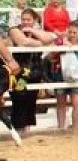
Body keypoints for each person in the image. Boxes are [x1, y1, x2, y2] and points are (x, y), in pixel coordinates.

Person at [8, 9, 54, 137]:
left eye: (28, 19)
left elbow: (50, 38)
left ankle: (27, 129)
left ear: (34, 20)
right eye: (23, 19)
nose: (25, 22)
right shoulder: (14, 30)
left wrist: (33, 31)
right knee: (19, 98)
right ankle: (18, 129)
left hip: (34, 72)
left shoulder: (37, 32)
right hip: (19, 73)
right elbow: (23, 41)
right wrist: (40, 43)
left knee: (31, 99)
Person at [55, 21, 78, 131]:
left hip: (75, 77)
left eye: (74, 32)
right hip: (60, 76)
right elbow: (51, 55)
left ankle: (75, 129)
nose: (72, 35)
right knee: (61, 103)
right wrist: (61, 47)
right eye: (70, 32)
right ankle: (61, 128)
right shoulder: (60, 42)